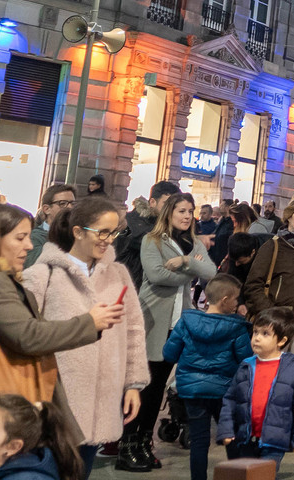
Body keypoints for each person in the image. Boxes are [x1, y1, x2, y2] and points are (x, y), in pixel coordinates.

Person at [0, 204, 121, 451]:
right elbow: (28, 336)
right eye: (20, 238)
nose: (29, 246)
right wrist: (89, 323)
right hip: (6, 405)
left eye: (28, 237)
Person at [20, 196, 146, 475]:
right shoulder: (43, 275)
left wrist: (133, 383)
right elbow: (26, 334)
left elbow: (134, 331)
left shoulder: (118, 274)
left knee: (81, 470)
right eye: (102, 232)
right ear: (77, 231)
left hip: (104, 396)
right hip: (55, 399)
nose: (109, 239)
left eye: (114, 232)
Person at [128, 192, 215, 467]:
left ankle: (144, 442)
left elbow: (211, 272)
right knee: (144, 385)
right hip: (153, 319)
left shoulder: (193, 243)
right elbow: (156, 275)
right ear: (169, 212)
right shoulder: (151, 240)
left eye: (190, 211)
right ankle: (128, 445)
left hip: (177, 324)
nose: (187, 216)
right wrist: (192, 271)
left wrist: (186, 261)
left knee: (158, 389)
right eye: (181, 210)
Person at [162, 276, 253, 480]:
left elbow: (169, 354)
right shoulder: (237, 328)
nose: (238, 303)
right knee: (232, 439)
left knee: (199, 442)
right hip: (225, 392)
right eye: (236, 299)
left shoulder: (186, 322)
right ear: (225, 299)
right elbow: (246, 361)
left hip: (192, 391)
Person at [217, 308, 294, 469]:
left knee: (264, 475)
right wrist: (226, 430)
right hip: (245, 438)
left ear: (281, 341)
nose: (257, 338)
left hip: (275, 441)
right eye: (255, 332)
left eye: (265, 334)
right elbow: (230, 400)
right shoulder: (246, 366)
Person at [239, 202, 294, 370]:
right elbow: (253, 284)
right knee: (271, 375)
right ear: (289, 215)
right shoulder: (273, 246)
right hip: (277, 324)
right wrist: (270, 311)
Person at [115, 182, 180, 286]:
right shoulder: (133, 222)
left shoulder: (162, 224)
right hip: (126, 287)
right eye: (166, 204)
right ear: (153, 202)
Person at [25, 186, 76, 269]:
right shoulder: (34, 237)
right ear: (46, 209)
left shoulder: (78, 234)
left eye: (73, 204)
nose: (70, 207)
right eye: (62, 203)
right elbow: (35, 265)